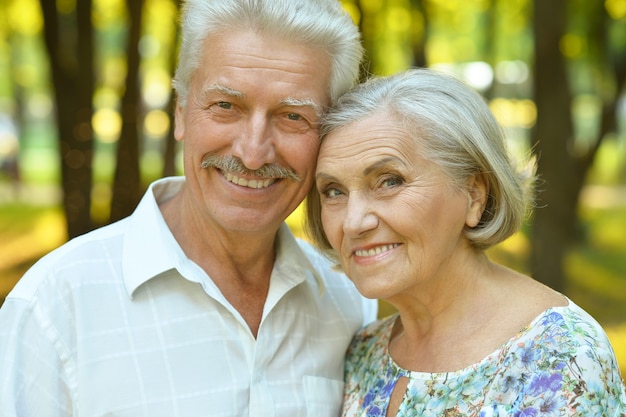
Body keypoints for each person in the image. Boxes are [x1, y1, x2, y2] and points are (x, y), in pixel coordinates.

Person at [0, 0, 377, 415]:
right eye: (225, 106)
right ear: (181, 110)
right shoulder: (55, 305)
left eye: (292, 116)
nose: (252, 154)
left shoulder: (350, 297)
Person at [306, 68, 626, 416]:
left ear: (474, 195)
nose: (353, 222)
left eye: (389, 181)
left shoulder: (559, 355)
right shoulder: (362, 352)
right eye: (333, 191)